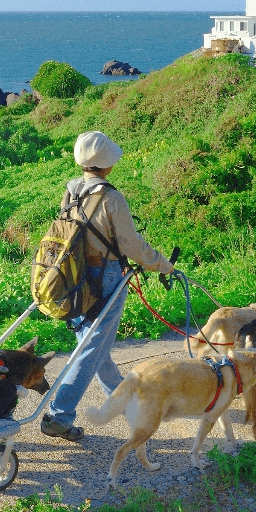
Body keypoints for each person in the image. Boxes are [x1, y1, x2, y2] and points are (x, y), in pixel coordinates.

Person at [40, 131, 175, 442]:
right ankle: (59, 416)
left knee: (92, 344)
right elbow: (131, 245)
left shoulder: (71, 190)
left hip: (73, 276)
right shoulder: (112, 198)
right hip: (106, 278)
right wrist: (162, 264)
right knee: (91, 347)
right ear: (107, 163)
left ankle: (123, 399)